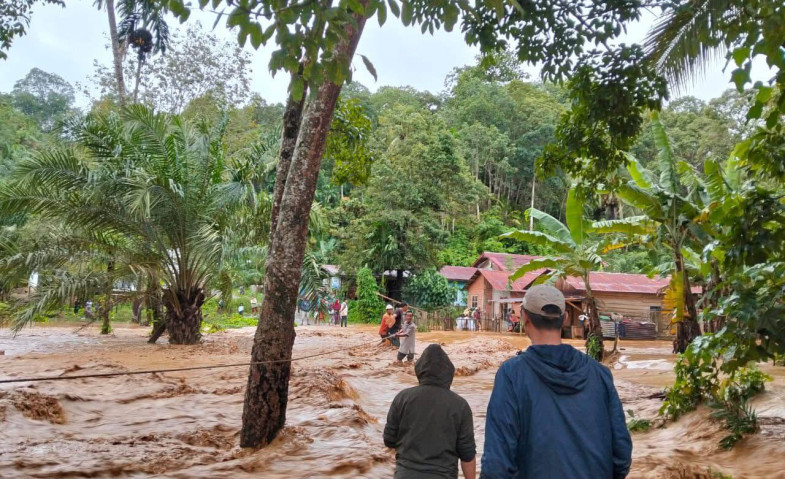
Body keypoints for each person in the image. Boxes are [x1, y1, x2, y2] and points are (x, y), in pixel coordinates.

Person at [481, 284, 632, 479]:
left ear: (524, 318)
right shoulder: (600, 374)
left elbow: (496, 465)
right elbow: (621, 454)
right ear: (565, 319)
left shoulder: (511, 375)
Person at [384, 344, 476, 479]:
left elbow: (389, 440)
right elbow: (467, 455)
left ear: (419, 370)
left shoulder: (402, 398)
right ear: (449, 373)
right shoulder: (460, 405)